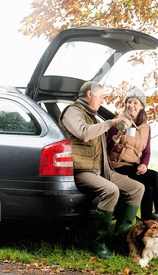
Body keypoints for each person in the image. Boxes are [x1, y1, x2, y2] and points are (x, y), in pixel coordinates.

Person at [59, 81, 145, 258]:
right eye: (101, 96)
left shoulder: (91, 116)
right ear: (90, 95)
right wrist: (111, 122)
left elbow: (97, 144)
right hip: (82, 171)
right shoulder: (73, 111)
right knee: (111, 190)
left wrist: (114, 139)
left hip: (101, 170)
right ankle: (100, 243)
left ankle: (122, 238)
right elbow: (83, 132)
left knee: (137, 188)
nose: (103, 100)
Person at [106, 88, 158, 233]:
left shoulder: (146, 128)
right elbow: (106, 150)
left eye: (135, 102)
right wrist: (116, 138)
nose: (131, 105)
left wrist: (144, 164)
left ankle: (147, 224)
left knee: (148, 188)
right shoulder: (118, 122)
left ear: (142, 106)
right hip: (117, 166)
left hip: (134, 166)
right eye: (129, 102)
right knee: (154, 176)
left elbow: (147, 152)